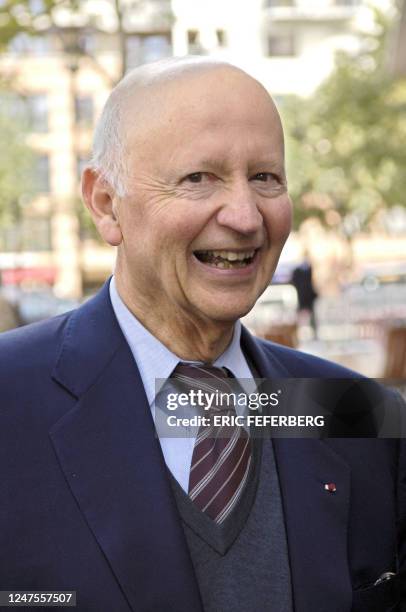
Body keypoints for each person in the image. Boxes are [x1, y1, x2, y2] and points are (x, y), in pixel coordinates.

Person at [0, 57, 405, 612]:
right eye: (198, 178)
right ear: (104, 203)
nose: (244, 216)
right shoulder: (10, 398)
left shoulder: (358, 414)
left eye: (265, 177)